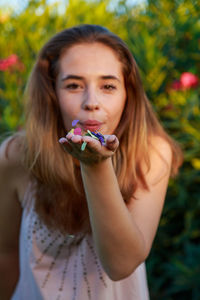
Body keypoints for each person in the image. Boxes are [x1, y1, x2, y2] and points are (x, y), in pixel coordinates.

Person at [0, 24, 182, 300]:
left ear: (127, 94)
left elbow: (121, 264)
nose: (92, 102)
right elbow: (5, 253)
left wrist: (95, 166)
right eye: (73, 85)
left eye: (108, 86)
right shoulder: (17, 156)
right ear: (52, 95)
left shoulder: (151, 153)